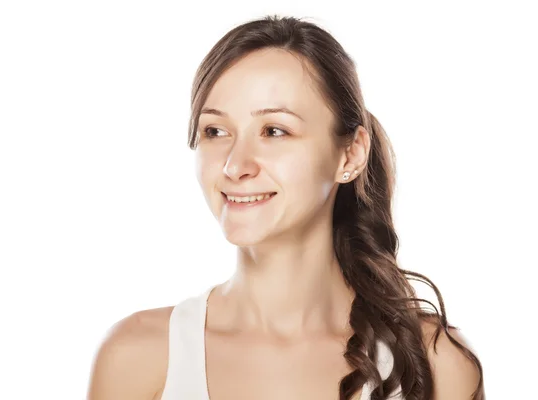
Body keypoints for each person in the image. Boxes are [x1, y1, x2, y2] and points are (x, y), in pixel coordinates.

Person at [87, 15, 484, 400]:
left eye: (274, 131)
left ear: (350, 155)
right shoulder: (137, 357)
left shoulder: (435, 364)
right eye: (215, 131)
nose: (234, 165)